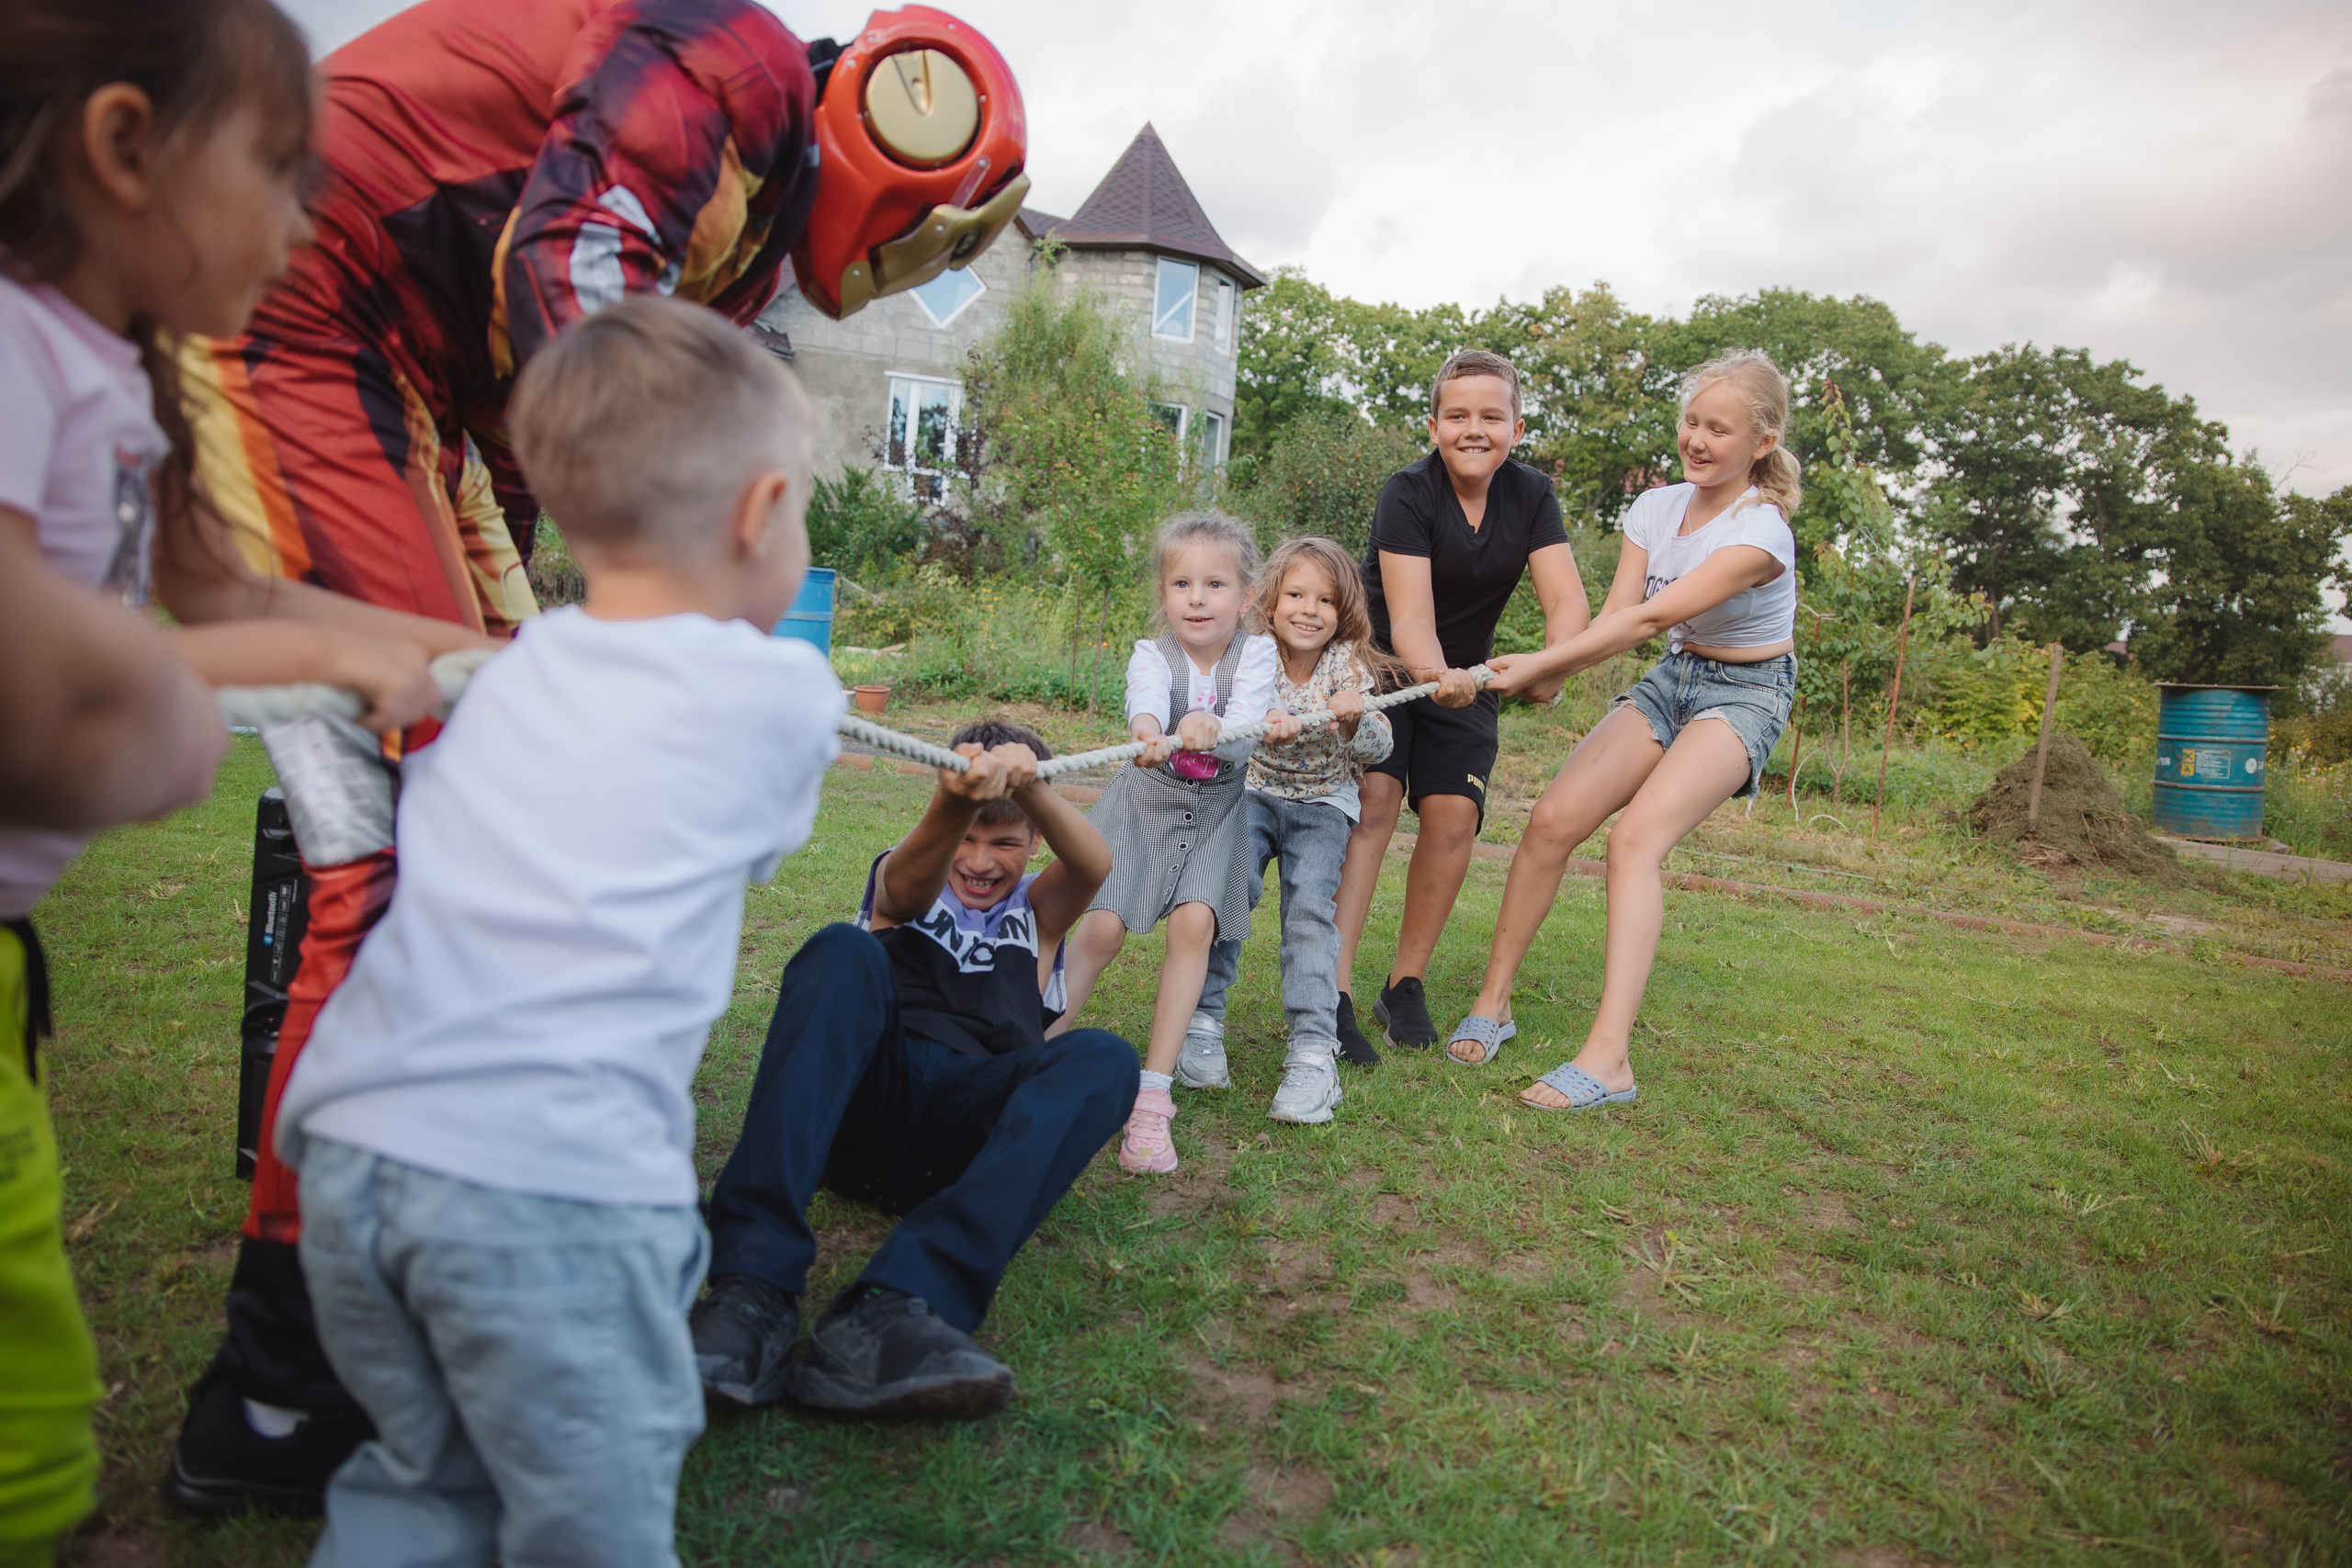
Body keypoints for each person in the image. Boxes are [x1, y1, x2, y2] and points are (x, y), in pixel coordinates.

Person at [164, 0, 1035, 1510]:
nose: (909, 267)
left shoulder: (747, 226)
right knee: (388, 837)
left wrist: (558, 595)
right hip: (302, 309)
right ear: (906, 133)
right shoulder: (739, 64)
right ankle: (282, 1380)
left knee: (460, 770)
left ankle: (395, 1278)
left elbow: (528, 391)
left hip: (412, 384)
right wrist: (677, 582)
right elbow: (574, 283)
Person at [0, 1, 485, 1552]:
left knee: (29, 1356)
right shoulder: (14, 348)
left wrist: (475, 656)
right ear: (126, 147)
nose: (307, 216)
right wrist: (167, 719)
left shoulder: (138, 379)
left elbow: (238, 609)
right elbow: (40, 676)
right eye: (280, 169)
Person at [269, 297, 841, 1563]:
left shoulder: (511, 669)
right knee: (592, 1520)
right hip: (547, 1185)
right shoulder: (783, 691)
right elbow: (759, 836)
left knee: (423, 1482)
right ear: (758, 513)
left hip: (356, 1151)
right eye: (800, 505)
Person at [690, 720, 1133, 1419]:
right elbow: (902, 890)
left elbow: (1094, 864)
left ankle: (894, 1309)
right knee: (843, 950)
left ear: (1034, 844)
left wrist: (1035, 787)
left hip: (962, 1141)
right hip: (868, 1107)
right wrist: (954, 799)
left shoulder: (1039, 916)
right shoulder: (910, 874)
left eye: (1005, 843)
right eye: (967, 837)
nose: (980, 861)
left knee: (1105, 1056)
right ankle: (750, 1286)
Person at [1459, 350, 1802, 1107]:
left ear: (1763, 441)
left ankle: (1609, 1059)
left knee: (1636, 838)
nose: (1699, 439)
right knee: (1551, 820)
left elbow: (1654, 616)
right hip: (1674, 680)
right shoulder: (1655, 508)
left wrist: (1538, 661)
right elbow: (1618, 615)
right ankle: (1494, 1001)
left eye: (1720, 428)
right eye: (1691, 422)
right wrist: (1551, 674)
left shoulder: (1762, 532)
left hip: (1745, 692)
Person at [1332, 349, 1590, 1057]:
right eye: (1457, 415)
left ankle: (1403, 984)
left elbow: (1567, 599)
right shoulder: (1407, 492)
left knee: (1453, 815)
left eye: (1490, 416)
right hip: (1387, 665)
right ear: (1434, 423)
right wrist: (1436, 674)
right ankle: (1334, 989)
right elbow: (1411, 618)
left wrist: (1551, 665)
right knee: (1377, 802)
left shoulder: (1533, 495)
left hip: (1467, 675)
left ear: (1517, 426)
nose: (1473, 429)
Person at [1051, 512, 1281, 1175]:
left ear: (1246, 596)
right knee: (1101, 928)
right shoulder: (1152, 655)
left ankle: (1152, 1099)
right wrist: (1153, 729)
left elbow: (1245, 727)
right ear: (1163, 594)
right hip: (1145, 804)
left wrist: (1218, 725)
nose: (1198, 597)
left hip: (1216, 810)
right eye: (1182, 583)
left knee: (1195, 925)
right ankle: (1036, 1047)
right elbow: (1146, 703)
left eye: (1215, 583)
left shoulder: (1257, 654)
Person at [1184, 537, 1401, 1122]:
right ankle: (1201, 1021)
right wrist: (1255, 725)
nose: (1310, 610)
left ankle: (1312, 1051)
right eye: (1297, 595)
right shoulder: (1251, 655)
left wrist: (1354, 719)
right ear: (1271, 602)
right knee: (1231, 895)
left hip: (1322, 806)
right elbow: (1223, 724)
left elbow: (1381, 746)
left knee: (1309, 915)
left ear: (1344, 610)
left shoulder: (1347, 666)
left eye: (1326, 600)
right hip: (1252, 792)